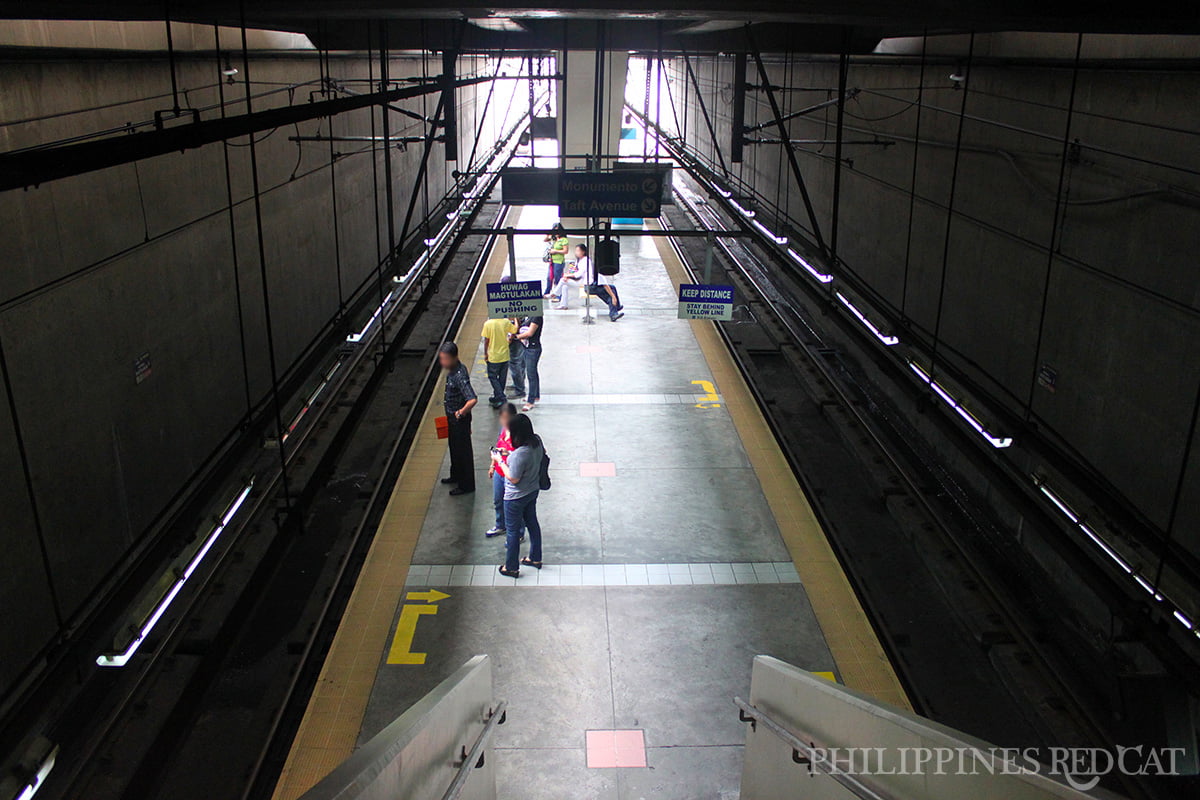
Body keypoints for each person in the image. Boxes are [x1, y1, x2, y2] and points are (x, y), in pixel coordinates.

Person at [493, 413, 544, 578]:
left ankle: (511, 567)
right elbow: (526, 461)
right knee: (532, 523)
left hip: (515, 498)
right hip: (532, 491)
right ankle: (535, 558)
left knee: (513, 531)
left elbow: (513, 478)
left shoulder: (519, 454)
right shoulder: (537, 442)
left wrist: (499, 461)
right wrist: (507, 454)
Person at [438, 341, 477, 495]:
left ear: (455, 357)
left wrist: (461, 413)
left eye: (445, 358)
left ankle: (466, 485)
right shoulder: (454, 370)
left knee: (463, 452)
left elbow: (472, 399)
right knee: (454, 448)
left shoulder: (459, 376)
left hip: (458, 420)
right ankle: (456, 475)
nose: (443, 362)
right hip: (452, 419)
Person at [485, 402, 517, 537]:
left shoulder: (519, 434)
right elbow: (497, 448)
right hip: (499, 471)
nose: (505, 421)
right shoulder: (502, 431)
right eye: (503, 418)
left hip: (512, 473)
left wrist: (508, 454)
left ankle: (517, 531)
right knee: (498, 500)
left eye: (507, 418)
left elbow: (521, 455)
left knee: (514, 505)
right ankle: (500, 525)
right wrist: (492, 465)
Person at [481, 312, 516, 408]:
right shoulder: (505, 322)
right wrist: (510, 339)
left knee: (492, 376)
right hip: (505, 355)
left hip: (494, 356)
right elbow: (514, 330)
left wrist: (485, 354)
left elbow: (486, 341)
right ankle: (497, 396)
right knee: (502, 377)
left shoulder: (488, 324)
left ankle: (501, 397)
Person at [514, 312, 543, 412]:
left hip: (533, 349)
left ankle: (530, 401)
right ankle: (535, 395)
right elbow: (519, 327)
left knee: (531, 374)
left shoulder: (537, 316)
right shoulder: (529, 315)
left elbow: (530, 333)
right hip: (527, 347)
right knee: (533, 372)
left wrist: (516, 337)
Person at [585, 252, 624, 322]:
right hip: (591, 287)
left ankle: (616, 306)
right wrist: (613, 297)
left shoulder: (591, 265)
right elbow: (605, 285)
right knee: (611, 294)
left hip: (590, 285)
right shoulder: (597, 270)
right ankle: (613, 314)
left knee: (613, 287)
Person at [551, 243, 587, 310]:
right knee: (564, 286)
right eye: (576, 251)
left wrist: (567, 275)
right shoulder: (578, 260)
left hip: (584, 282)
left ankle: (555, 294)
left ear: (583, 252)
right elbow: (574, 270)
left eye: (578, 251)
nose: (576, 252)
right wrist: (567, 276)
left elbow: (579, 274)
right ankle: (563, 305)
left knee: (562, 280)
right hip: (578, 280)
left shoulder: (585, 260)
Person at [543, 223, 569, 300]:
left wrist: (555, 251)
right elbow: (545, 240)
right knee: (549, 277)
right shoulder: (554, 239)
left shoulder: (563, 240)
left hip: (559, 261)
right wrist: (549, 234)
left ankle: (559, 294)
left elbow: (565, 251)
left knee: (558, 278)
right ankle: (547, 292)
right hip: (552, 261)